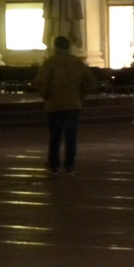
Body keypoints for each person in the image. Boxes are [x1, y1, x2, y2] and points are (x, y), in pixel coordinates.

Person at [34, 36, 96, 174]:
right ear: (68, 47)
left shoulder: (50, 63)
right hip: (73, 104)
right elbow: (91, 81)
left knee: (55, 137)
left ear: (55, 47)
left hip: (54, 104)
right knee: (71, 137)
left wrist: (46, 95)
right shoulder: (77, 63)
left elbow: (40, 81)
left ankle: (53, 165)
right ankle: (69, 165)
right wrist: (81, 94)